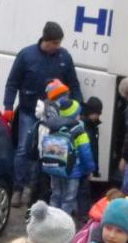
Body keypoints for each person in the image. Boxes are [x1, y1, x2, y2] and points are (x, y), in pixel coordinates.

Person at [4, 22, 83, 207]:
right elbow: (12, 83)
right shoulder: (26, 55)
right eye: (55, 43)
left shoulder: (65, 57)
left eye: (59, 43)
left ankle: (30, 188)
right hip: (28, 111)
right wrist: (8, 106)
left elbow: (74, 84)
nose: (58, 46)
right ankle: (17, 187)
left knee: (40, 152)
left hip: (51, 115)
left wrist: (79, 107)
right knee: (24, 148)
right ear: (45, 41)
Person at [37, 79, 95, 213]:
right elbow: (85, 152)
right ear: (75, 115)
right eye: (79, 113)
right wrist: (89, 169)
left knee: (56, 195)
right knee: (69, 198)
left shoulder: (52, 125)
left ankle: (50, 220)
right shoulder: (79, 130)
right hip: (72, 171)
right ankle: (63, 224)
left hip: (54, 168)